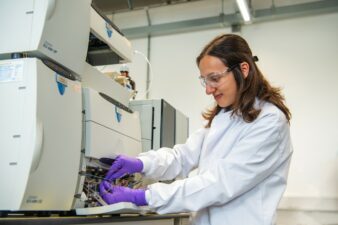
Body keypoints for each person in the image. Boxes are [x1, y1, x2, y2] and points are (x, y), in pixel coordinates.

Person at [99, 34, 293, 225]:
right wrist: (142, 163)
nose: (208, 90)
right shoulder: (223, 117)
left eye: (215, 79)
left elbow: (220, 183)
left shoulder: (270, 121)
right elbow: (182, 157)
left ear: (243, 69)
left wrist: (145, 196)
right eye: (205, 80)